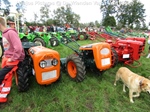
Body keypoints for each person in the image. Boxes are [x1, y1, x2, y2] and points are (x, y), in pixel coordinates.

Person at [0, 17, 25, 84]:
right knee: (3, 67)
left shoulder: (11, 33)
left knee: (1, 74)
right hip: (9, 56)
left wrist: (12, 58)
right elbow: (7, 47)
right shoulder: (4, 33)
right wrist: (5, 54)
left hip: (15, 58)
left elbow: (18, 48)